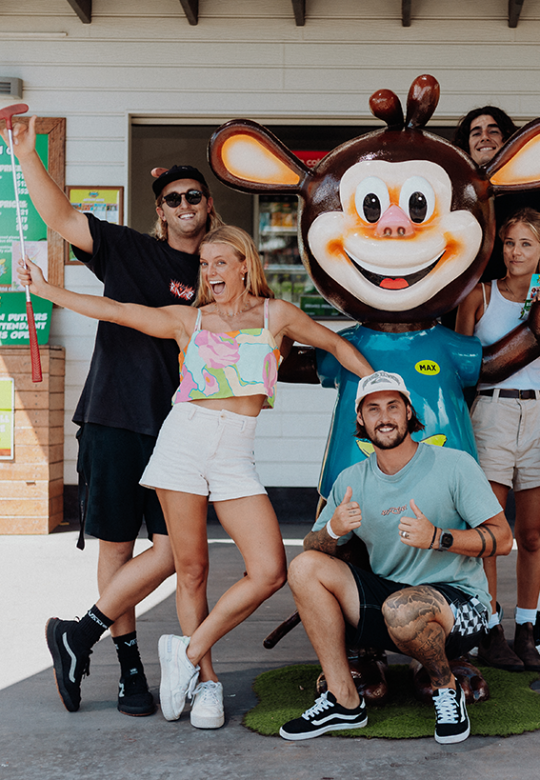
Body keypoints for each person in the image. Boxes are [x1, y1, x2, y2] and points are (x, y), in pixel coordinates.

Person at [19, 225, 374, 728]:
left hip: (236, 453)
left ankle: (185, 652)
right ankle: (206, 683)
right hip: (185, 441)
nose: (209, 273)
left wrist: (383, 386)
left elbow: (336, 345)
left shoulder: (276, 315)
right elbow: (117, 311)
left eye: (219, 263)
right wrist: (46, 289)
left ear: (245, 264)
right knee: (191, 570)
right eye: (204, 265)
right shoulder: (190, 319)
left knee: (269, 570)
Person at [1, 115, 225, 716]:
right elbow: (61, 218)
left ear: (208, 205)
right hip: (115, 416)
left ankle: (78, 635)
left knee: (178, 552)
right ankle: (130, 671)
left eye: (193, 196)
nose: (184, 205)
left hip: (183, 429)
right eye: (173, 198)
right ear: (161, 210)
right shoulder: (129, 249)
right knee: (118, 547)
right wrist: (26, 155)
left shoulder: (220, 270)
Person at [279, 371, 513, 744]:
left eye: (393, 406)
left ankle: (446, 689)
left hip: (460, 606)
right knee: (304, 567)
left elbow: (503, 539)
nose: (384, 417)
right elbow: (313, 547)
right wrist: (334, 530)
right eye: (373, 409)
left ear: (408, 413)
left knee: (403, 609)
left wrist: (438, 537)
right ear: (360, 418)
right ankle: (343, 700)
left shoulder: (455, 465)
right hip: (391, 601)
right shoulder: (351, 479)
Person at [456, 208, 540, 673]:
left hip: (539, 414)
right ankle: (489, 629)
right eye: (509, 243)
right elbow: (459, 370)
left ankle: (527, 629)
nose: (516, 252)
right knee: (490, 533)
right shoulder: (479, 295)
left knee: (532, 534)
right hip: (491, 414)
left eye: (526, 244)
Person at [453, 106, 540, 290]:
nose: (484, 137)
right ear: (466, 146)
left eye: (493, 131)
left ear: (509, 142)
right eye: (476, 133)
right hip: (467, 308)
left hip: (528, 308)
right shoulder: (453, 204)